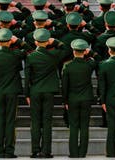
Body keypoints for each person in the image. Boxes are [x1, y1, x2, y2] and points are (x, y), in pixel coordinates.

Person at [25, 29, 69, 158]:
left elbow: (27, 77)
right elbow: (66, 49)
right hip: (49, 91)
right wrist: (55, 41)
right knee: (46, 122)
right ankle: (46, 151)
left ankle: (35, 150)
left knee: (35, 122)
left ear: (35, 42)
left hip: (35, 91)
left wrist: (27, 94)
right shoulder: (54, 54)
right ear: (47, 42)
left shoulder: (30, 56)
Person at [0, 28, 28, 158]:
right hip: (12, 92)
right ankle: (9, 151)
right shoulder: (16, 54)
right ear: (10, 41)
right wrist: (19, 41)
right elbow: (29, 50)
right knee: (10, 121)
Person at [62, 39, 97, 158]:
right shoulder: (89, 65)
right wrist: (90, 53)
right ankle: (82, 153)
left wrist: (65, 101)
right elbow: (97, 59)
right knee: (84, 127)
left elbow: (64, 86)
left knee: (74, 127)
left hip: (72, 99)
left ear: (73, 51)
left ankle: (73, 153)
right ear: (84, 51)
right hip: (86, 98)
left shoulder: (67, 66)